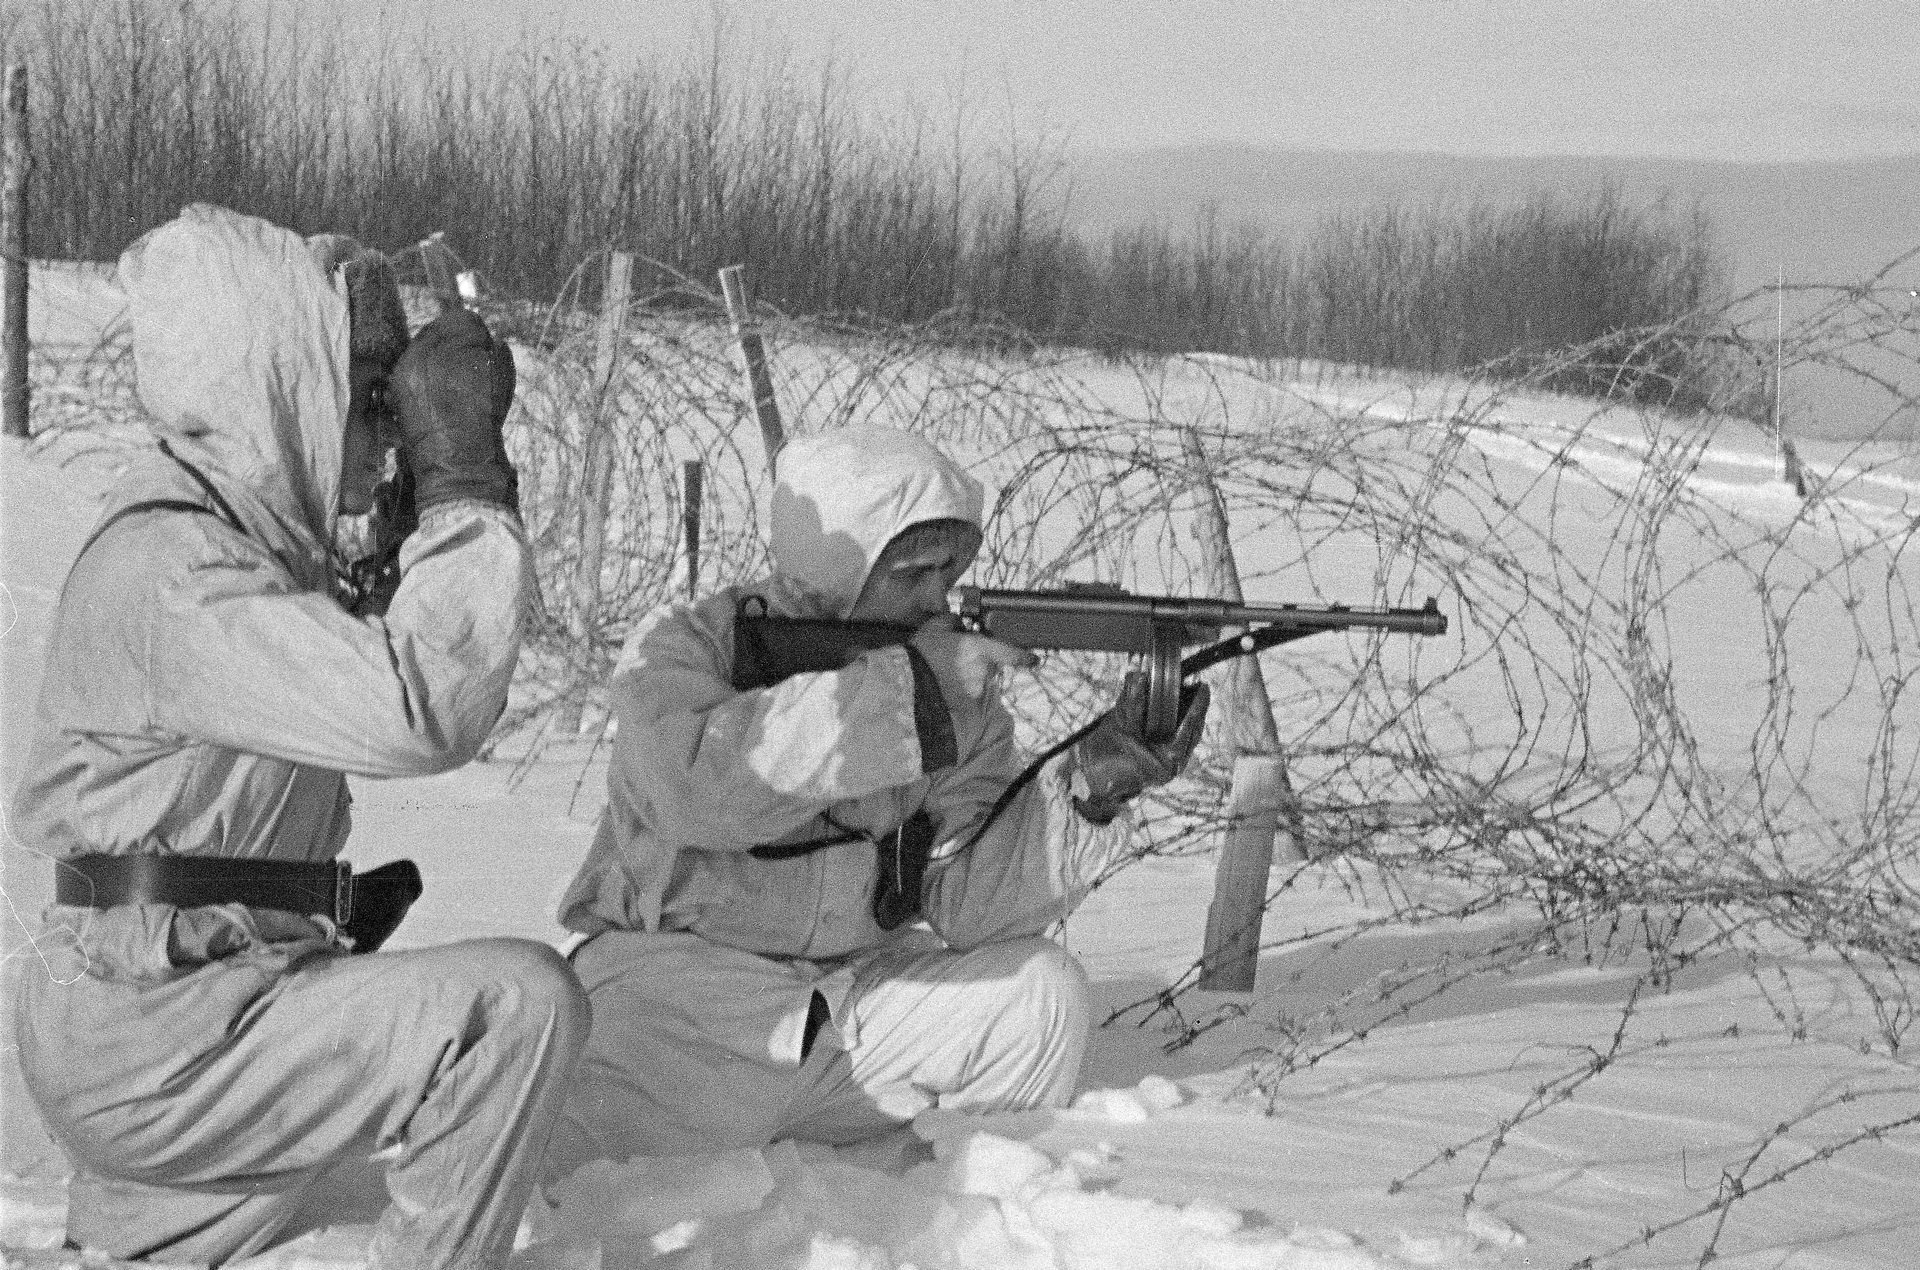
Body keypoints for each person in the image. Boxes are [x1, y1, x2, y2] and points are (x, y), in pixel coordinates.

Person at [10, 204, 588, 1270]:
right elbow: (423, 704)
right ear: (280, 385)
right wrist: (462, 477)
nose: (381, 427)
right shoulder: (172, 579)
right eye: (367, 397)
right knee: (516, 1009)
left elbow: (427, 676)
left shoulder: (242, 554)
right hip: (163, 1037)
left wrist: (415, 528)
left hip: (185, 1005)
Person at [545, 424, 1207, 1176]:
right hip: (684, 1003)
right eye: (914, 573)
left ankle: (899, 1207)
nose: (938, 597)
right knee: (592, 1187)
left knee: (1041, 996)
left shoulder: (952, 687)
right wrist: (909, 693)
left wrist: (1092, 789)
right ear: (838, 566)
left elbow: (970, 907)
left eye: (949, 572)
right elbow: (698, 792)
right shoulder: (684, 646)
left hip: (851, 1001)